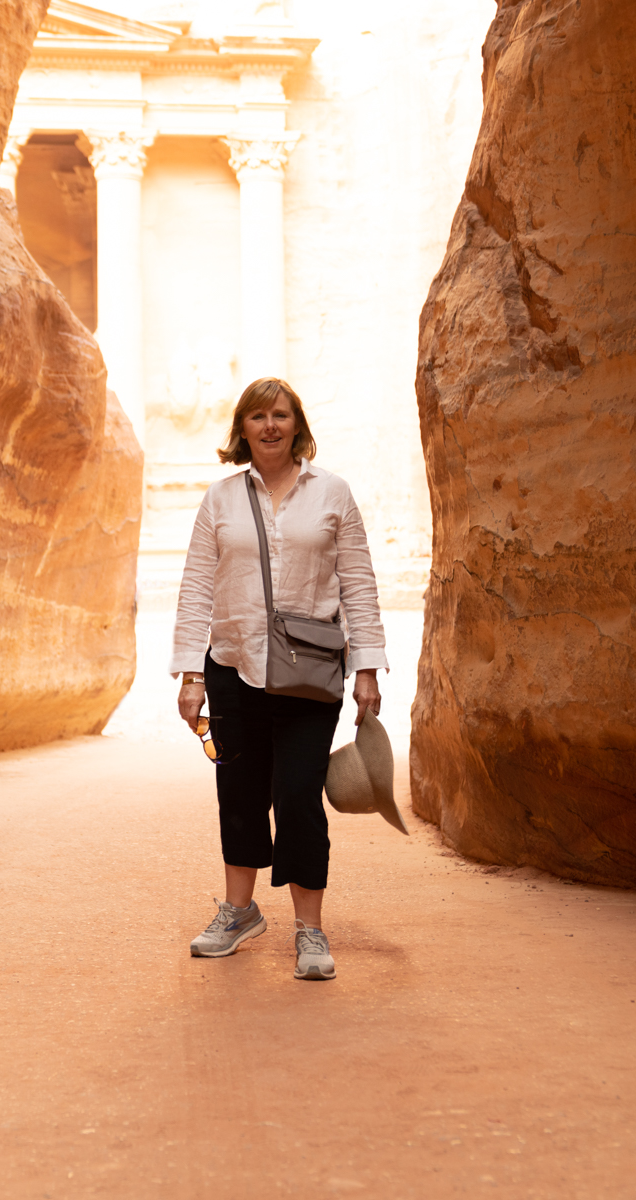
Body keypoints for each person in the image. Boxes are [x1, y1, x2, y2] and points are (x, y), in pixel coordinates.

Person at [170, 377, 387, 981]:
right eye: (258, 416)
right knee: (238, 796)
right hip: (233, 665)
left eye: (282, 415)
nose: (271, 425)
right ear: (241, 429)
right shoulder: (220, 499)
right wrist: (192, 674)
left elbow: (359, 583)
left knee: (297, 798)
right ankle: (239, 912)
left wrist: (367, 664)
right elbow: (195, 590)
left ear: (298, 425)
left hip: (310, 673)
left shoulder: (333, 493)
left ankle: (310, 931)